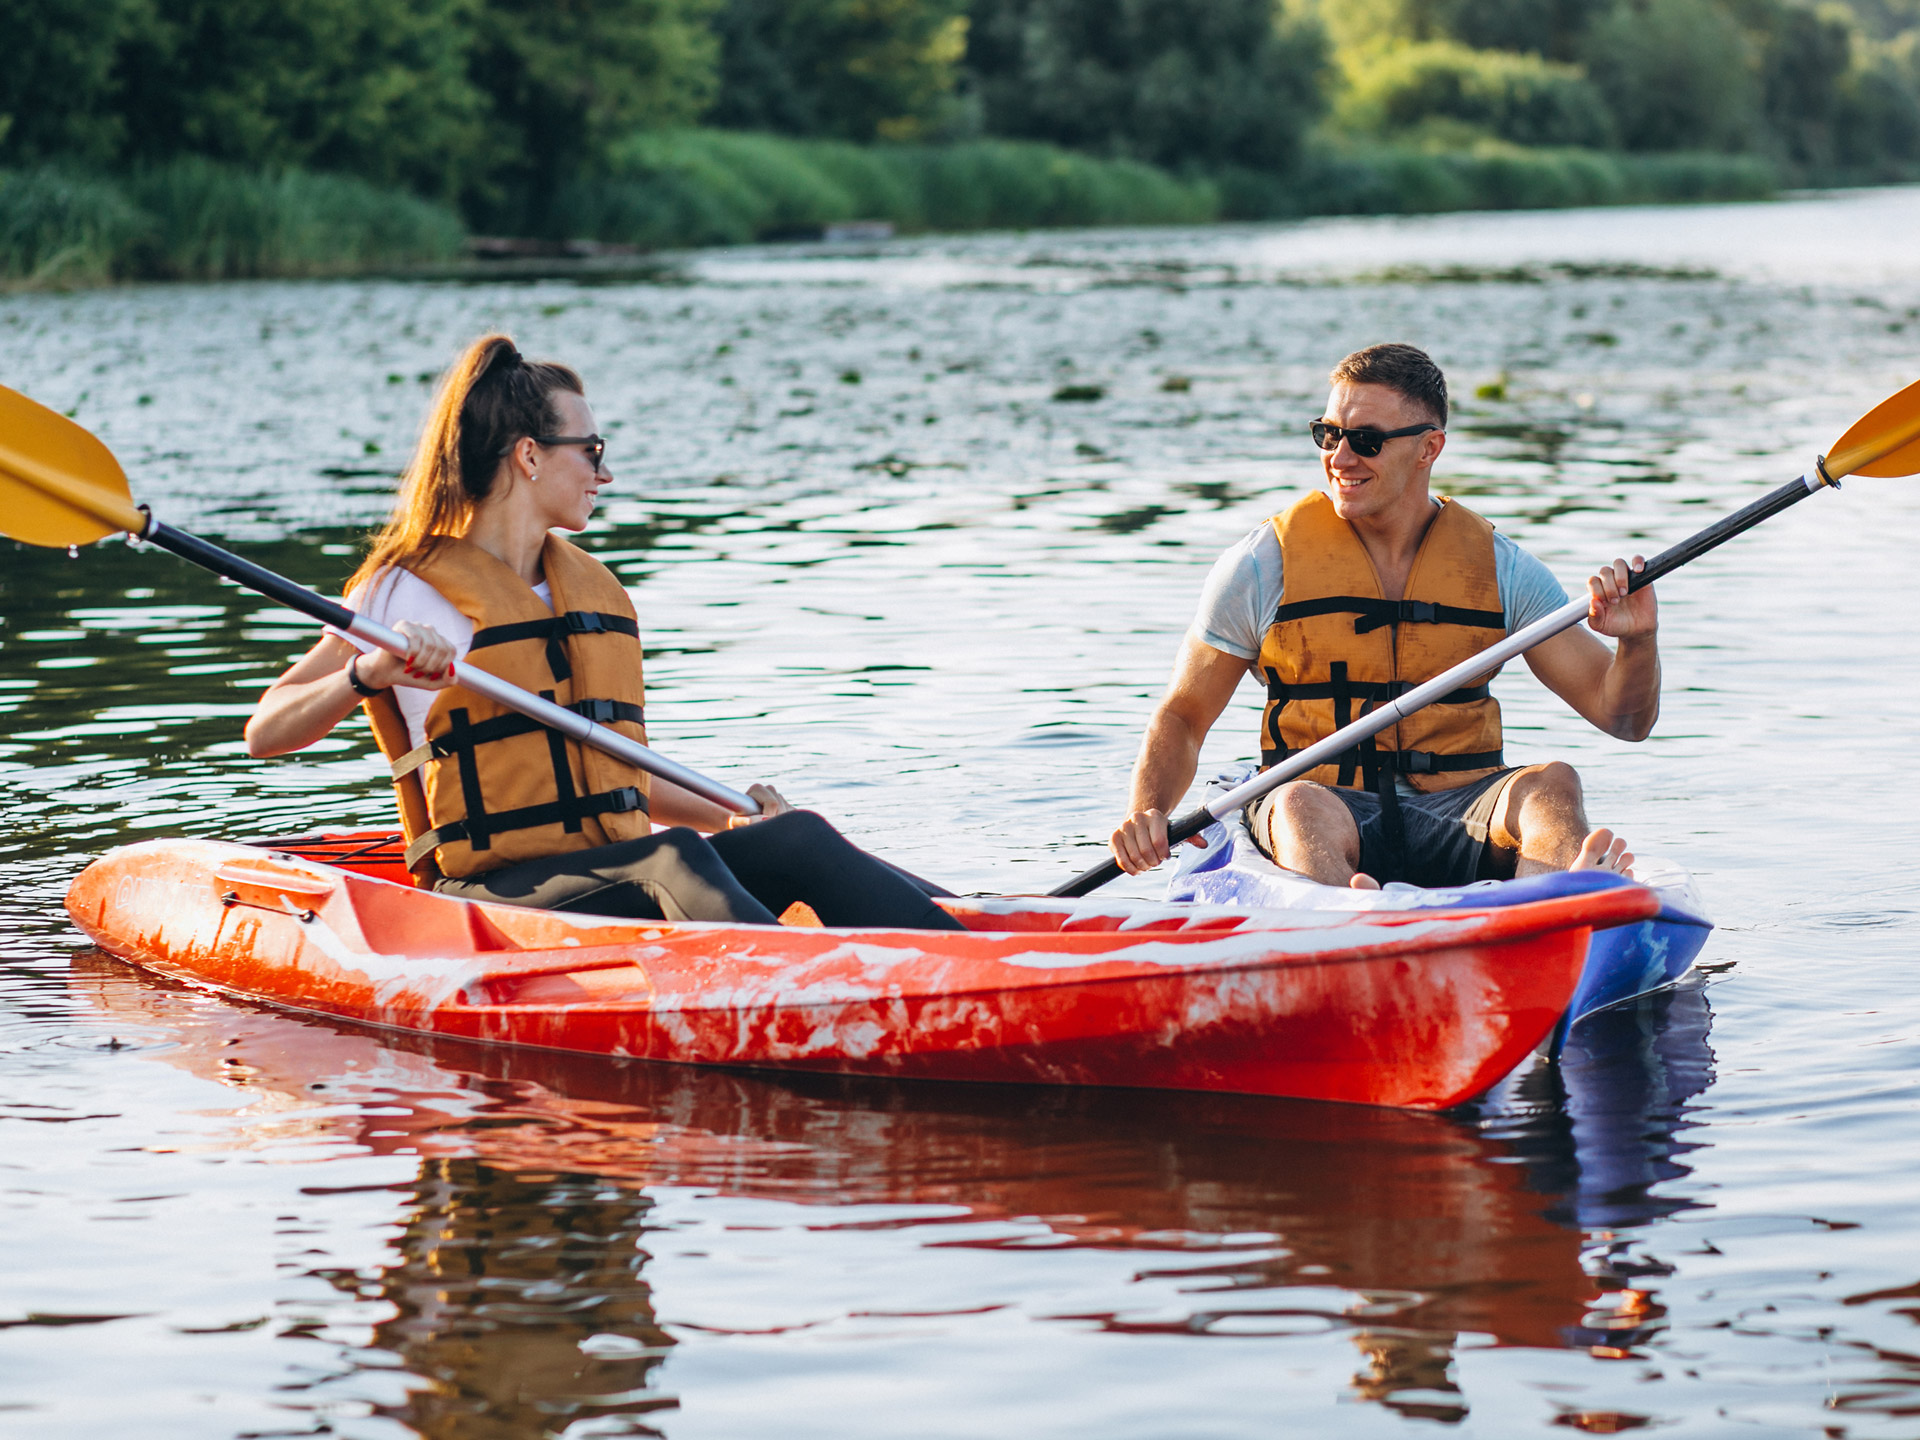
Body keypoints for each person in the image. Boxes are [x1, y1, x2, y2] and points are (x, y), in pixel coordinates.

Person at [246, 334, 962, 931]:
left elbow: (612, 781)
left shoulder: (582, 589)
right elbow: (266, 732)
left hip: (612, 871)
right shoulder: (403, 590)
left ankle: (983, 935)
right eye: (591, 450)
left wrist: (733, 817)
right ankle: (828, 989)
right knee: (673, 858)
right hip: (498, 899)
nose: (606, 472)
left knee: (793, 834)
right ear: (528, 456)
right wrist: (365, 674)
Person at [1109, 342, 1660, 890]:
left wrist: (1638, 643)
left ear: (1429, 449)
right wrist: (1147, 810)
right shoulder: (1261, 566)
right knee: (1299, 803)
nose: (1340, 458)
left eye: (1366, 441)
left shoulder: (1501, 569)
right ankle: (1352, 921)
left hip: (1462, 807)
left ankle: (1552, 903)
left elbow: (1624, 720)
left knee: (1553, 786)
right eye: (1329, 434)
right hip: (1325, 803)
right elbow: (1182, 717)